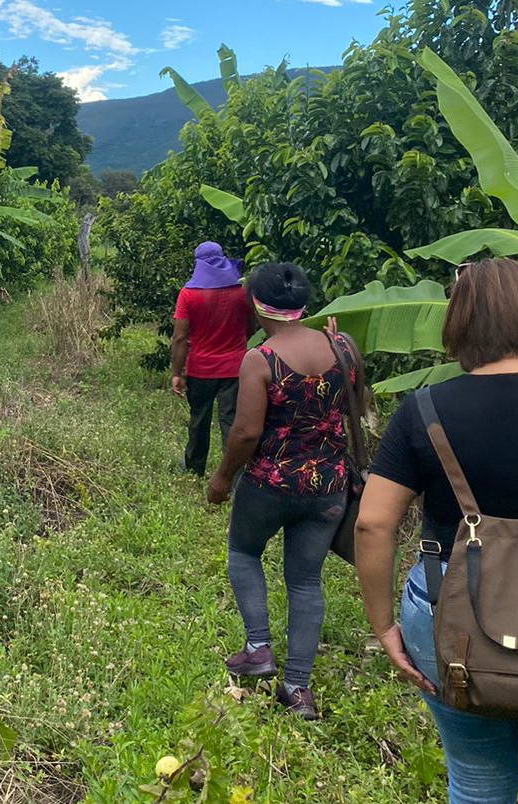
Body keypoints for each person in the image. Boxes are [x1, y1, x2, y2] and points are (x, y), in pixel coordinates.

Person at [355, 258, 518, 803]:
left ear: (458, 324)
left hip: (447, 616)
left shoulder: (422, 409)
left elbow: (373, 522)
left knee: (476, 783)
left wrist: (383, 626)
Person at [206, 262, 363, 720]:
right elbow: (359, 403)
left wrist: (220, 479)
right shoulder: (343, 347)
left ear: (256, 304)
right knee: (305, 581)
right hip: (329, 487)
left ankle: (258, 647)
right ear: (304, 304)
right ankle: (297, 689)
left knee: (243, 552)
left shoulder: (261, 359)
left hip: (270, 484)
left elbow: (245, 433)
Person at [171, 242, 252, 476]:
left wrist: (176, 373)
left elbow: (180, 337)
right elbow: (251, 325)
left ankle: (194, 467)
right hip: (235, 367)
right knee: (232, 422)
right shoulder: (241, 291)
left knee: (199, 419)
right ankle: (235, 475)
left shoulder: (188, 294)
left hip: (201, 369)